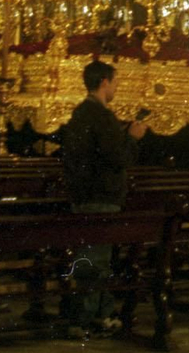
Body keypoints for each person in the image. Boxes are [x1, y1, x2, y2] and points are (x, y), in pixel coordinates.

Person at [61, 60, 146, 337]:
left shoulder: (82, 113)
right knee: (95, 261)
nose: (117, 87)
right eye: (116, 82)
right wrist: (132, 138)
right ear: (105, 82)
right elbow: (117, 158)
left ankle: (99, 314)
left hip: (84, 193)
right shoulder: (101, 115)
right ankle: (84, 319)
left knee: (95, 259)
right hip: (100, 196)